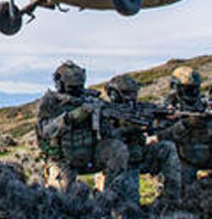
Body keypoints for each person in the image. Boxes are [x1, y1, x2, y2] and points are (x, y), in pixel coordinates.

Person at [102, 74, 181, 207]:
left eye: (134, 93)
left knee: (167, 148)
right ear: (114, 94)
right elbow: (106, 136)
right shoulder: (105, 111)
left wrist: (166, 118)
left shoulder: (140, 107)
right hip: (118, 163)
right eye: (127, 93)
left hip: (137, 155)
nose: (132, 98)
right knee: (128, 206)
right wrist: (129, 129)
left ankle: (170, 201)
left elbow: (157, 114)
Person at [36, 61, 106, 193]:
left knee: (117, 153)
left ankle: (111, 200)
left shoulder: (90, 99)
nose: (76, 90)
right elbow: (46, 130)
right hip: (62, 159)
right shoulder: (51, 102)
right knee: (62, 198)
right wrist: (73, 116)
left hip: (90, 154)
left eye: (79, 86)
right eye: (72, 87)